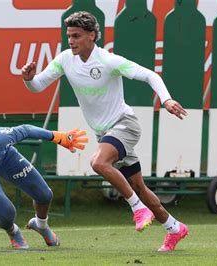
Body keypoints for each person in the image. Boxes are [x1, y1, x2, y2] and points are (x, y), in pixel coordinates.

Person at [22, 11, 189, 252]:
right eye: (68, 35)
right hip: (105, 134)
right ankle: (174, 228)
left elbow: (150, 75)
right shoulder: (65, 60)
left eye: (76, 36)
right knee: (139, 187)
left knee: (98, 162)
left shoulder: (108, 61)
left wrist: (166, 100)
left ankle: (137, 208)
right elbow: (37, 86)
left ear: (92, 36)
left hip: (125, 125)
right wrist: (28, 79)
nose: (71, 40)